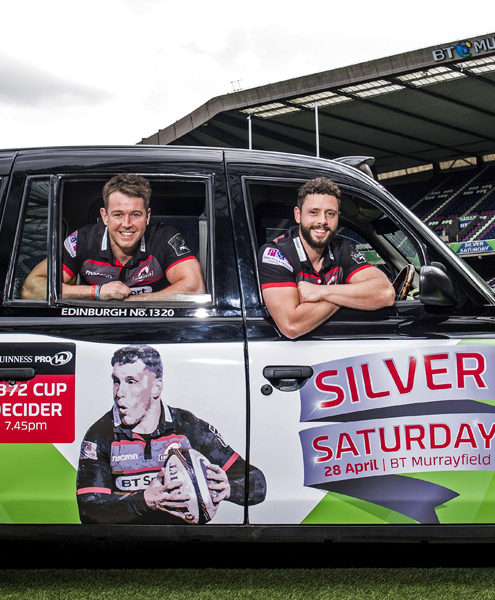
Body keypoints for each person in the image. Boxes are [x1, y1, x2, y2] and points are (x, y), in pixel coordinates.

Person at [76, 345, 266, 524]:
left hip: (185, 539)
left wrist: (230, 488)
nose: (119, 393)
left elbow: (257, 482)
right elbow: (90, 511)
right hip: (128, 542)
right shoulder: (100, 434)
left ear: (156, 388)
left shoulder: (187, 426)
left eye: (131, 382)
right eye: (116, 381)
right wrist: (145, 500)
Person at [21, 173, 204, 300]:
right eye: (118, 214)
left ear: (147, 216)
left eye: (135, 214)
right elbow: (31, 288)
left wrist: (131, 303)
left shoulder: (164, 236)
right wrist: (96, 292)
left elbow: (195, 288)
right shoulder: (83, 240)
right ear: (104, 216)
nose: (126, 224)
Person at [258, 177, 394, 339]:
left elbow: (385, 293)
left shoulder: (342, 248)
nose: (322, 221)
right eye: (313, 212)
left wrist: (322, 292)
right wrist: (347, 293)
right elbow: (291, 325)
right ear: (298, 214)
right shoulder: (276, 253)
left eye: (330, 214)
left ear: (338, 216)